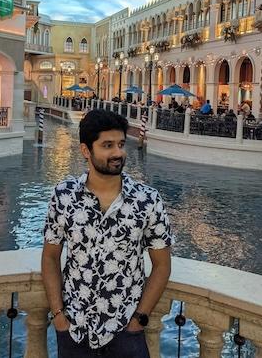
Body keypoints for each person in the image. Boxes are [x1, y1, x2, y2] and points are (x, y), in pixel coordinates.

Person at [42, 109, 173, 358]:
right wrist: (59, 316)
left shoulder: (147, 200)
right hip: (75, 329)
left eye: (121, 144)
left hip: (126, 331)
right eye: (108, 145)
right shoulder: (64, 196)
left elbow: (162, 265)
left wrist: (138, 320)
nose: (118, 153)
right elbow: (50, 256)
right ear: (85, 150)